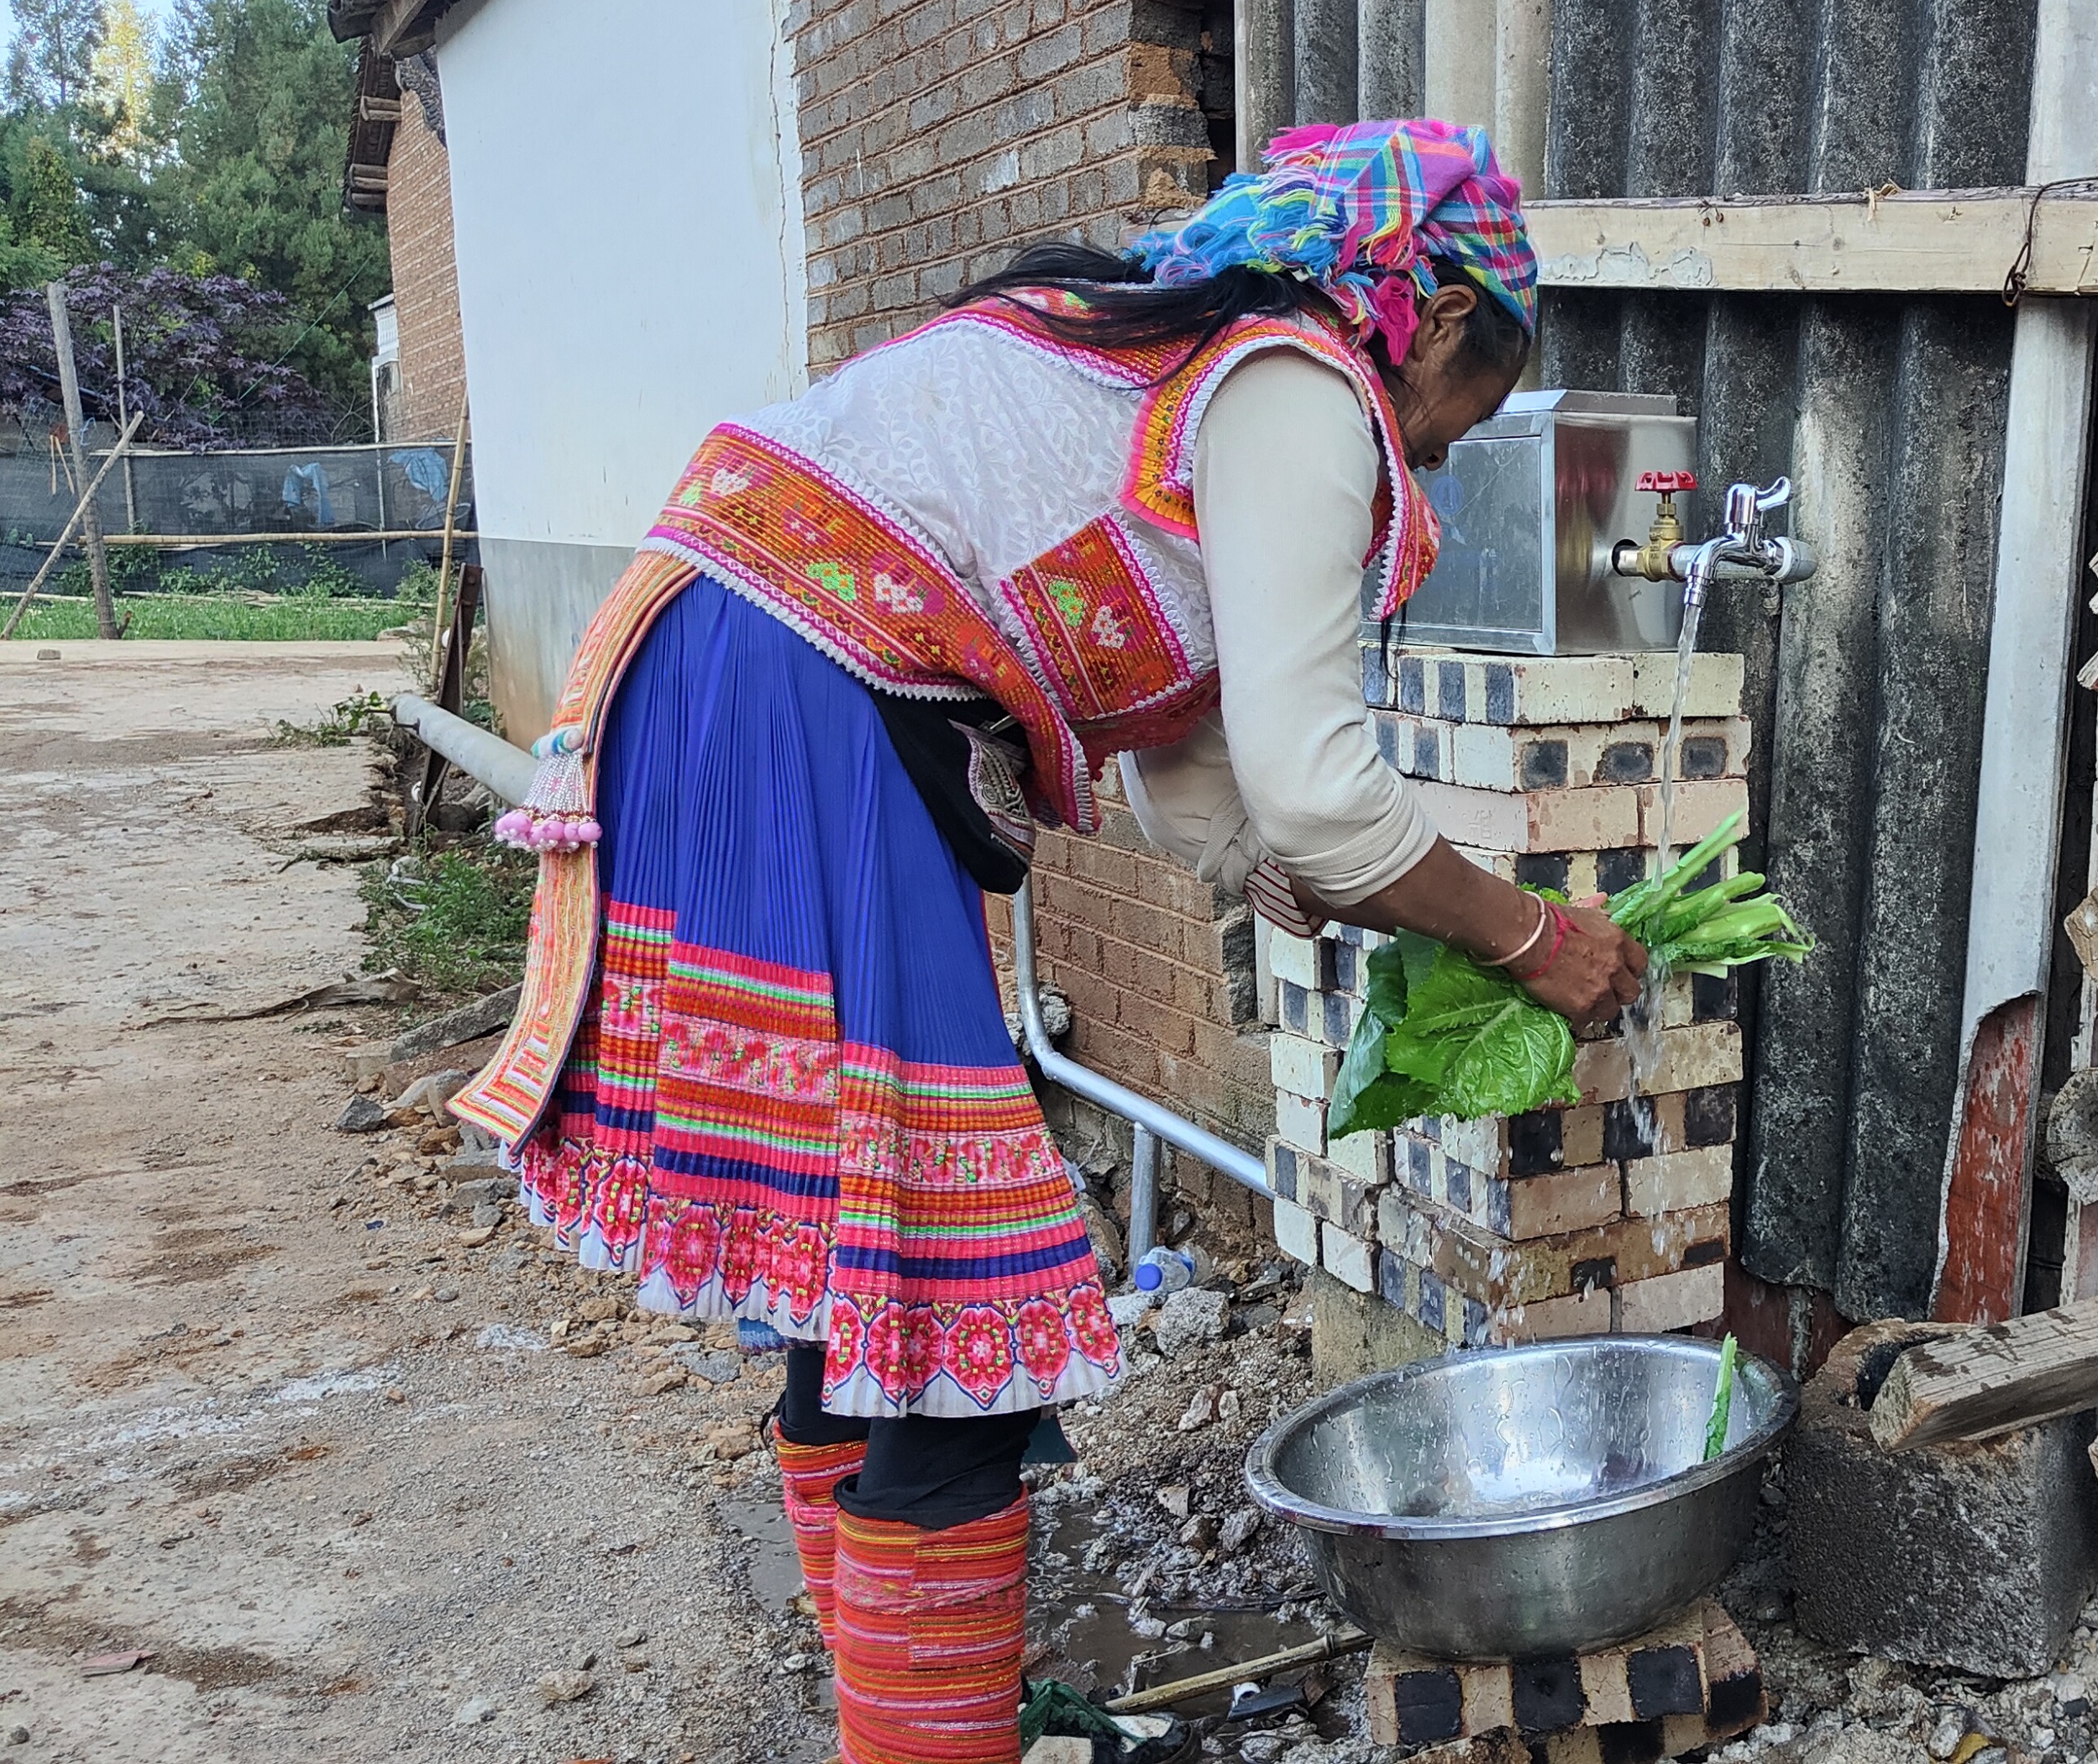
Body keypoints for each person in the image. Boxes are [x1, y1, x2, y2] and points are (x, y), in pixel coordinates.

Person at [446, 120, 1647, 1764]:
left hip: (717, 658)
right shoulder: (1298, 380)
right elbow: (1322, 790)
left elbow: (1198, 772)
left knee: (864, 1278)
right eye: (1460, 420)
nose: (1429, 465)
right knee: (950, 1310)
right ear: (1433, 324)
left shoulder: (1177, 363)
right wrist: (1529, 938)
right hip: (807, 695)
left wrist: (1278, 872)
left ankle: (905, 1713)